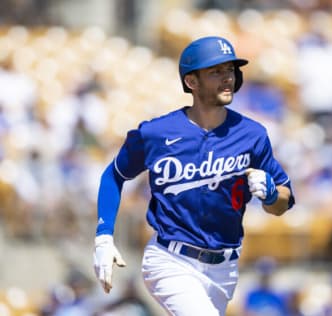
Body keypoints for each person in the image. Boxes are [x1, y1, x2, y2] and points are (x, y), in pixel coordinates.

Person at [93, 36, 295, 316]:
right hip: (170, 259)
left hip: (224, 269)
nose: (227, 78)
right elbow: (113, 175)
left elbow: (283, 203)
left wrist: (272, 195)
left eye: (230, 70)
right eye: (216, 72)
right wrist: (104, 236)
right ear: (191, 82)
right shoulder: (157, 133)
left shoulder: (252, 135)